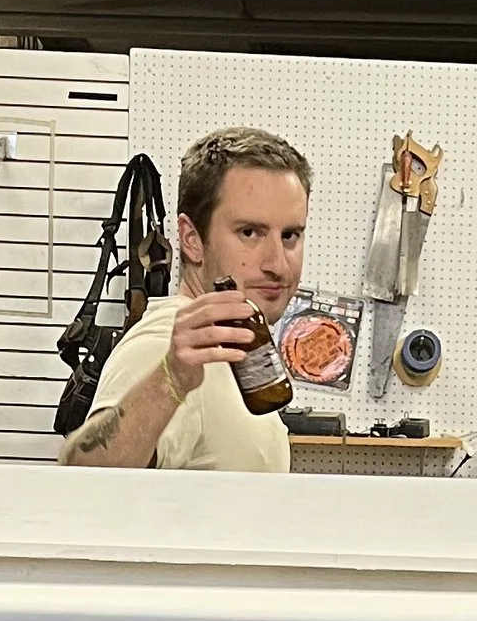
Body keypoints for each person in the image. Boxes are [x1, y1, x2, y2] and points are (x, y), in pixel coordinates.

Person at [59, 125, 309, 471]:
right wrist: (170, 379)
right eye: (249, 232)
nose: (278, 264)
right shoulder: (164, 344)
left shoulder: (223, 346)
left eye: (290, 235)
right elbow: (83, 477)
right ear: (191, 239)